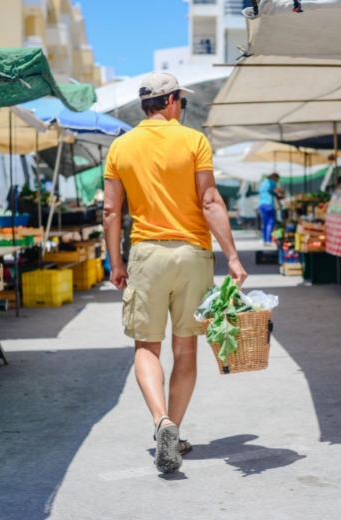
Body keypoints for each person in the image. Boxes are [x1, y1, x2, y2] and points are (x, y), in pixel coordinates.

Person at [103, 72, 248, 474]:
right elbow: (210, 200)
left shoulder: (120, 146)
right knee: (185, 350)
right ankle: (176, 430)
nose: (182, 107)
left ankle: (161, 421)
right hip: (192, 255)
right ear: (168, 102)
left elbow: (111, 211)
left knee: (147, 347)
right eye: (180, 101)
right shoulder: (193, 140)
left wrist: (115, 262)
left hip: (147, 255)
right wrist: (232, 256)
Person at [258, 173, 284, 245]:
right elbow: (276, 190)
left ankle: (264, 240)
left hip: (261, 204)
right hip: (268, 204)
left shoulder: (263, 183)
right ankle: (268, 240)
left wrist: (277, 196)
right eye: (277, 179)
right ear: (275, 177)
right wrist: (282, 192)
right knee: (270, 222)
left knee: (264, 223)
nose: (277, 181)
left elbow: (271, 192)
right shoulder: (271, 182)